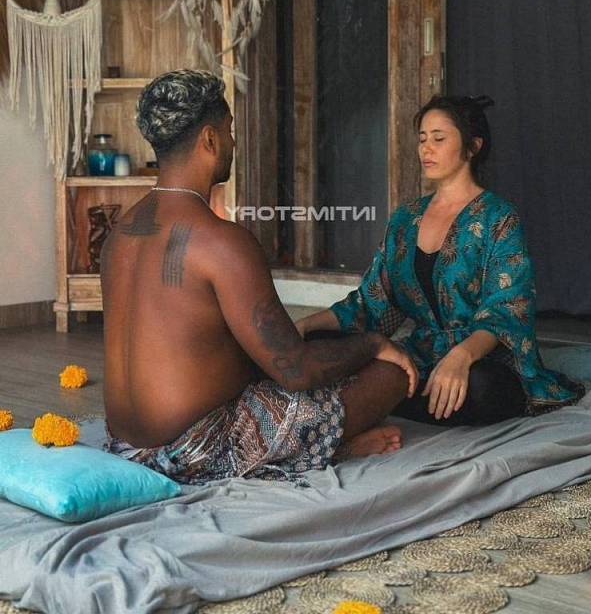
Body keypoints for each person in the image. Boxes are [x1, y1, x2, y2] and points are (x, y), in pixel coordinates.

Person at [101, 69, 419, 485]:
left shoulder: (121, 234)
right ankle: (329, 447)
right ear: (210, 139)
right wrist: (375, 343)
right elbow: (296, 371)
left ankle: (324, 446)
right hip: (196, 453)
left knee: (307, 350)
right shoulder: (221, 241)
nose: (233, 143)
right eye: (230, 131)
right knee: (390, 372)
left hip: (125, 444)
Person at [296, 95, 584, 425]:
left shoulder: (498, 217)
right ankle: (394, 393)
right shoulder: (405, 218)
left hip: (483, 359)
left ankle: (382, 397)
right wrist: (303, 327)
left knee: (483, 388)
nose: (426, 149)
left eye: (439, 138)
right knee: (319, 345)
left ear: (473, 147)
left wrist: (461, 356)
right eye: (422, 139)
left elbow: (508, 310)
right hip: (421, 355)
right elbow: (369, 304)